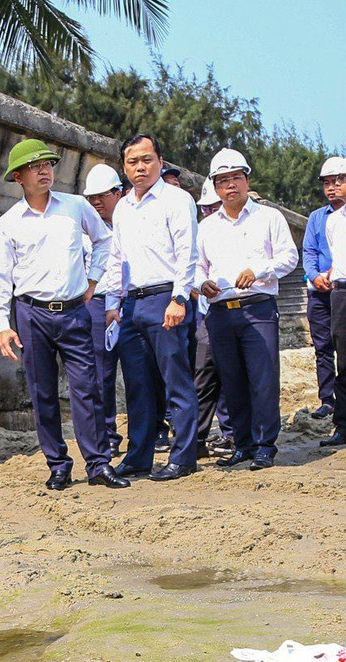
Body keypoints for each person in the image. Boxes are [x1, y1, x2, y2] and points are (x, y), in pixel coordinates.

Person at [0, 139, 129, 490]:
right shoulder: (9, 223)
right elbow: (1, 277)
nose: (44, 171)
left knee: (88, 389)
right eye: (35, 167)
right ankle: (57, 465)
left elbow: (104, 240)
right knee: (42, 392)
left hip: (74, 312)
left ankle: (98, 464)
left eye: (48, 165)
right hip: (31, 314)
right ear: (18, 177)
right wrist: (3, 325)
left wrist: (93, 280)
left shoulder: (75, 207)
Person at [104, 134, 201, 481]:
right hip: (132, 304)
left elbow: (187, 252)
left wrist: (179, 297)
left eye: (146, 159)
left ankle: (184, 456)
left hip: (166, 299)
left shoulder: (176, 200)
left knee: (176, 380)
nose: (140, 167)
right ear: (124, 167)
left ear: (160, 160)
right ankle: (139, 456)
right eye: (132, 162)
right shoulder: (124, 208)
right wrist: (113, 303)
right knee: (138, 385)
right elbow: (117, 258)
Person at [196, 149, 299, 470]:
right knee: (232, 380)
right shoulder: (207, 227)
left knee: (263, 378)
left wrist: (259, 270)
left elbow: (289, 258)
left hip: (258, 308)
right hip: (220, 312)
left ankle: (265, 445)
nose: (230, 186)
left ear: (246, 180)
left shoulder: (269, 218)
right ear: (214, 187)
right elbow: (196, 267)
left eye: (236, 178)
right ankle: (242, 443)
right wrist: (203, 284)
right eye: (223, 181)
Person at [82, 163, 150, 459]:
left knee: (141, 374)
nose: (97, 203)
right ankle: (108, 435)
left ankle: (147, 432)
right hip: (98, 305)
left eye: (102, 196)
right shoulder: (84, 232)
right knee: (101, 376)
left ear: (118, 193)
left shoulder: (135, 221)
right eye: (91, 198)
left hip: (134, 301)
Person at [303, 157, 346, 426]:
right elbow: (309, 252)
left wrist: (335, 273)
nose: (332, 187)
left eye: (338, 181)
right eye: (328, 183)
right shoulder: (320, 219)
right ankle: (329, 401)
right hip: (323, 291)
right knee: (325, 348)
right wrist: (315, 276)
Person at [193, 181, 235, 456]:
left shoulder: (241, 229)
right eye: (204, 208)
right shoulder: (203, 232)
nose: (208, 212)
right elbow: (194, 267)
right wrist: (200, 284)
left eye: (212, 207)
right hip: (208, 316)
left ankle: (235, 435)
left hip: (238, 312)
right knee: (203, 377)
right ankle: (196, 441)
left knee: (236, 378)